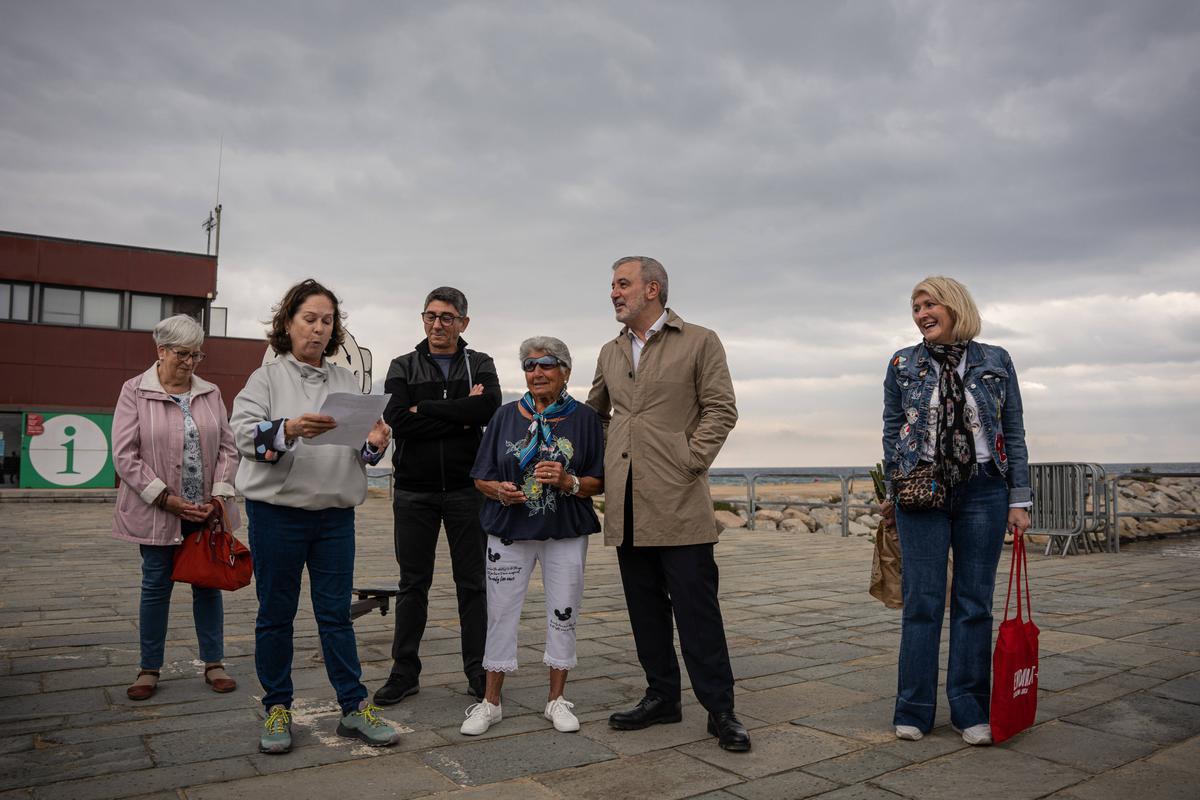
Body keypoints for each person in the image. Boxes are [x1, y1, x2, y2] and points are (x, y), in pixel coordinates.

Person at [587, 256, 750, 752]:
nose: (614, 293)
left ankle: (720, 710)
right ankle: (662, 696)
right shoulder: (610, 351)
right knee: (644, 608)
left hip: (679, 499)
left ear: (652, 288)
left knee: (697, 610)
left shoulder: (701, 340)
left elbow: (722, 409)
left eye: (623, 284)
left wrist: (689, 460)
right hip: (626, 502)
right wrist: (604, 465)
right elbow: (594, 415)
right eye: (612, 286)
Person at [232, 279, 397, 754]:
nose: (319, 329)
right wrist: (289, 428)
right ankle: (278, 707)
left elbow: (357, 453)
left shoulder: (347, 382)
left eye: (327, 321)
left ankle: (353, 706)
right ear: (288, 323)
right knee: (275, 615)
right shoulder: (265, 378)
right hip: (277, 515)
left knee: (335, 616)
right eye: (310, 319)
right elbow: (242, 434)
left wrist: (374, 443)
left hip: (334, 518)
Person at [881, 276, 1031, 746]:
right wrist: (894, 486)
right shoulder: (902, 363)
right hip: (921, 491)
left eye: (930, 304)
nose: (922, 313)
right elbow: (891, 428)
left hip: (984, 490)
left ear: (955, 306)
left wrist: (1019, 498)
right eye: (916, 307)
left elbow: (1013, 430)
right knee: (922, 604)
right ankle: (914, 709)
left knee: (973, 605)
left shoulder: (996, 360)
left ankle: (969, 709)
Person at [459, 337, 605, 736]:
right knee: (500, 612)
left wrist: (568, 480)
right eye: (529, 365)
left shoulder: (587, 418)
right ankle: (490, 703)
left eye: (546, 364)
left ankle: (556, 700)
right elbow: (480, 475)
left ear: (565, 372)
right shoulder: (506, 415)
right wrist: (497, 490)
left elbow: (599, 481)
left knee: (564, 610)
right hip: (509, 529)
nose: (537, 372)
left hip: (566, 530)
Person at [373, 287, 502, 706]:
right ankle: (403, 671)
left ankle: (478, 671)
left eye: (446, 317)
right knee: (413, 584)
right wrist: (460, 413)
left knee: (473, 585)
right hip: (413, 491)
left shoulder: (479, 363)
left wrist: (424, 410)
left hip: (468, 490)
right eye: (430, 316)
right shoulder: (402, 366)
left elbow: (489, 410)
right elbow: (397, 422)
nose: (437, 324)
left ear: (463, 322)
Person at [111, 314, 239, 701]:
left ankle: (214, 662)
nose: (189, 362)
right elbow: (124, 455)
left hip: (205, 512)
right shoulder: (134, 391)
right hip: (158, 510)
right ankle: (149, 668)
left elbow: (228, 448)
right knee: (155, 586)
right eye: (182, 354)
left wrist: (217, 497)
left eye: (196, 355)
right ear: (161, 350)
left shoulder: (211, 392)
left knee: (207, 584)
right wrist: (167, 499)